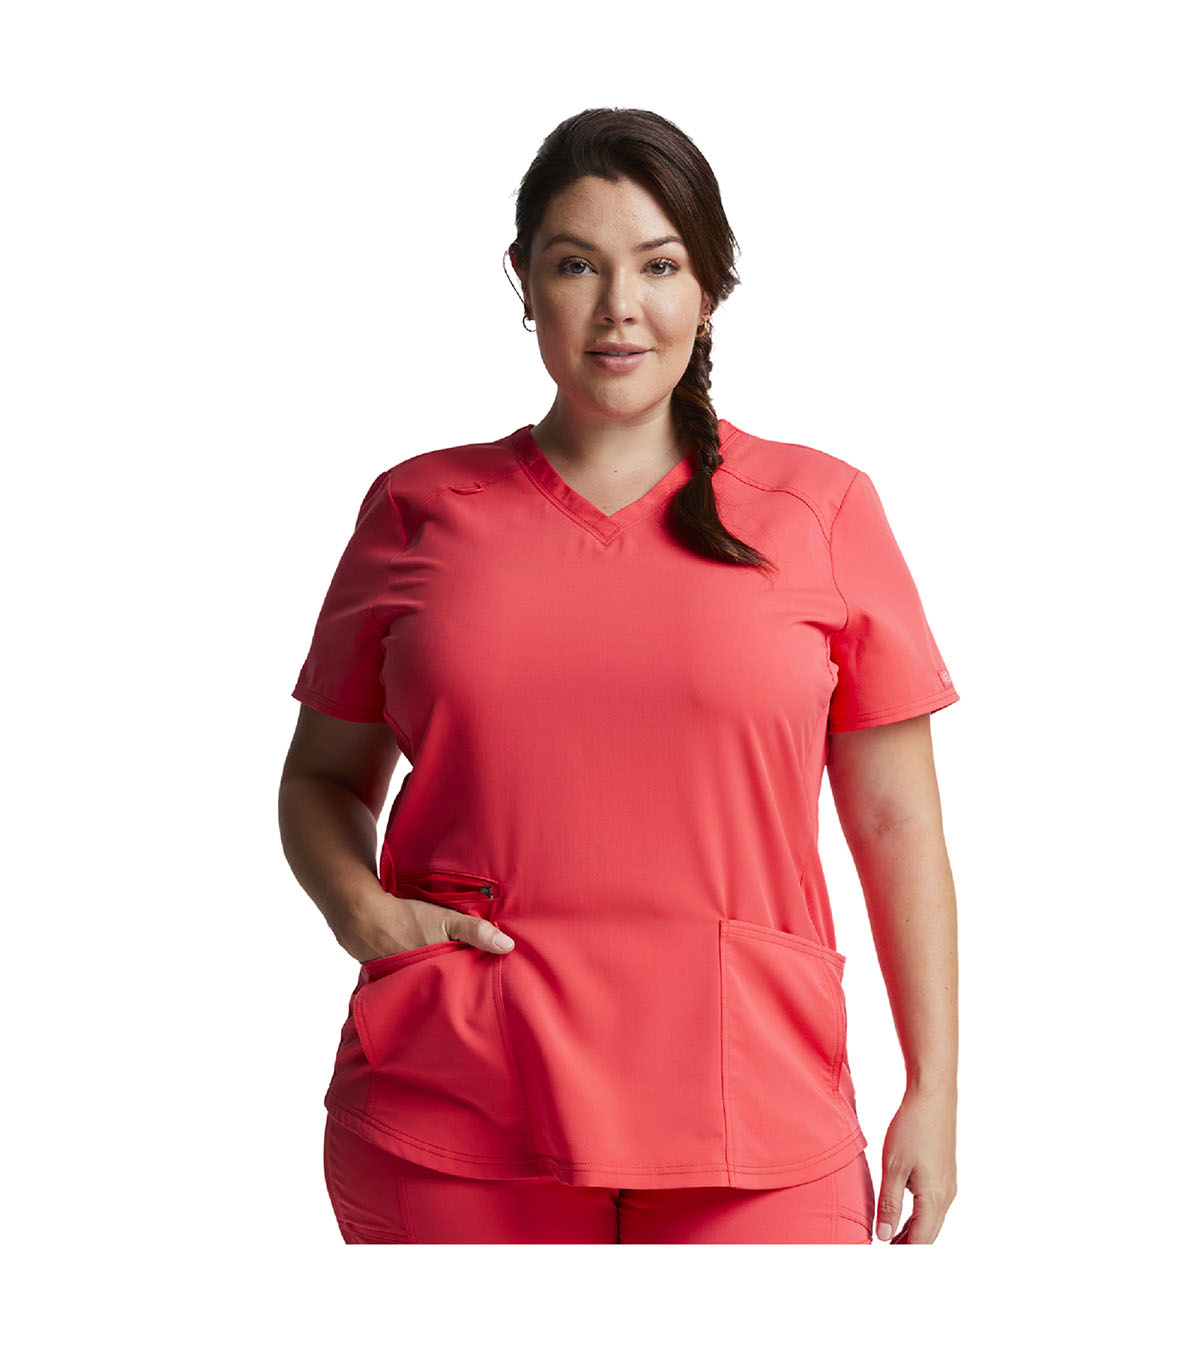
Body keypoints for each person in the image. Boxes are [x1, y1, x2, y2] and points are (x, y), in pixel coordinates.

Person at [278, 107, 961, 1245]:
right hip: (460, 1097)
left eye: (659, 265)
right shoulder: (417, 509)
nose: (617, 308)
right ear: (522, 281)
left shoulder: (822, 510)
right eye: (575, 264)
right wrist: (365, 916)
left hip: (755, 1106)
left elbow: (897, 825)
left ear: (710, 288)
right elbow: (320, 778)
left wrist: (933, 1089)